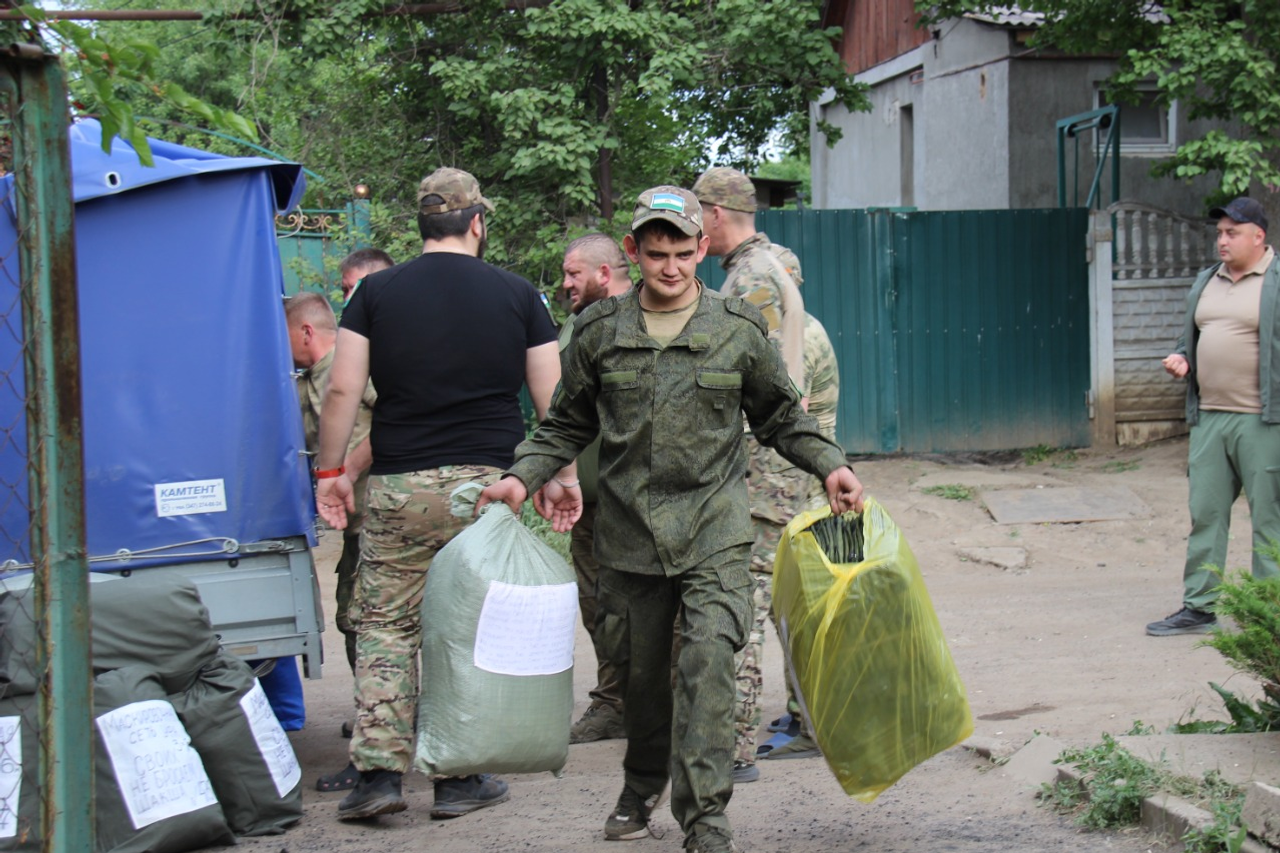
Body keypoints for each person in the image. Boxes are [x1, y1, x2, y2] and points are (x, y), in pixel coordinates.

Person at [478, 186, 864, 853]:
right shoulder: (600, 332)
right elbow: (565, 422)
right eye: (657, 254)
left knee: (709, 666)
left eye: (683, 254)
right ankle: (640, 785)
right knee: (644, 683)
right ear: (634, 251)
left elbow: (780, 415)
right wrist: (521, 477)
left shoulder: (737, 327)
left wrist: (830, 464)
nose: (671, 268)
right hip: (630, 537)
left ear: (702, 248)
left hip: (714, 529)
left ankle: (706, 817)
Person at [313, 167, 574, 820]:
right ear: (477, 223)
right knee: (469, 624)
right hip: (489, 489)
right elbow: (554, 399)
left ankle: (378, 775)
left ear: (421, 224)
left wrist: (331, 472)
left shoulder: (374, 293)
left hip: (400, 485)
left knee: (386, 627)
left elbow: (342, 388)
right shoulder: (519, 295)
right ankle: (459, 778)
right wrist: (561, 477)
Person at [692, 167, 813, 774]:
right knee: (771, 600)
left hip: (758, 472)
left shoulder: (752, 279)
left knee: (739, 601)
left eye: (698, 216)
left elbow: (749, 382)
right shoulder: (773, 264)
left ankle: (731, 748)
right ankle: (798, 720)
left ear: (715, 213)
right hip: (774, 470)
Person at [1147, 197, 1280, 636]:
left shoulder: (1276, 281)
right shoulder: (1208, 280)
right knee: (1205, 514)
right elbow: (1193, 336)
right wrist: (1183, 358)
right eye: (1220, 233)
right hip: (1209, 418)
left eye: (1232, 233)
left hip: (1263, 421)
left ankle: (1270, 614)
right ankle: (1199, 608)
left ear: (1258, 237)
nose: (1222, 241)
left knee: (1270, 519)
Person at [285, 288, 383, 792]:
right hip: (355, 524)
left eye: (286, 337)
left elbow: (398, 416)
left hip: (379, 518)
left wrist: (347, 469)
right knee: (355, 621)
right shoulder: (306, 380)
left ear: (306, 332)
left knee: (369, 625)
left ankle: (382, 736)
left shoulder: (352, 367)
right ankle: (378, 722)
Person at [560, 233, 633, 744]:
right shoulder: (575, 324)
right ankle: (614, 703)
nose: (566, 284)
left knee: (649, 608)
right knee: (598, 606)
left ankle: (667, 706)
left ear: (604, 273)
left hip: (632, 501)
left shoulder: (641, 318)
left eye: (574, 274)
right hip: (584, 503)